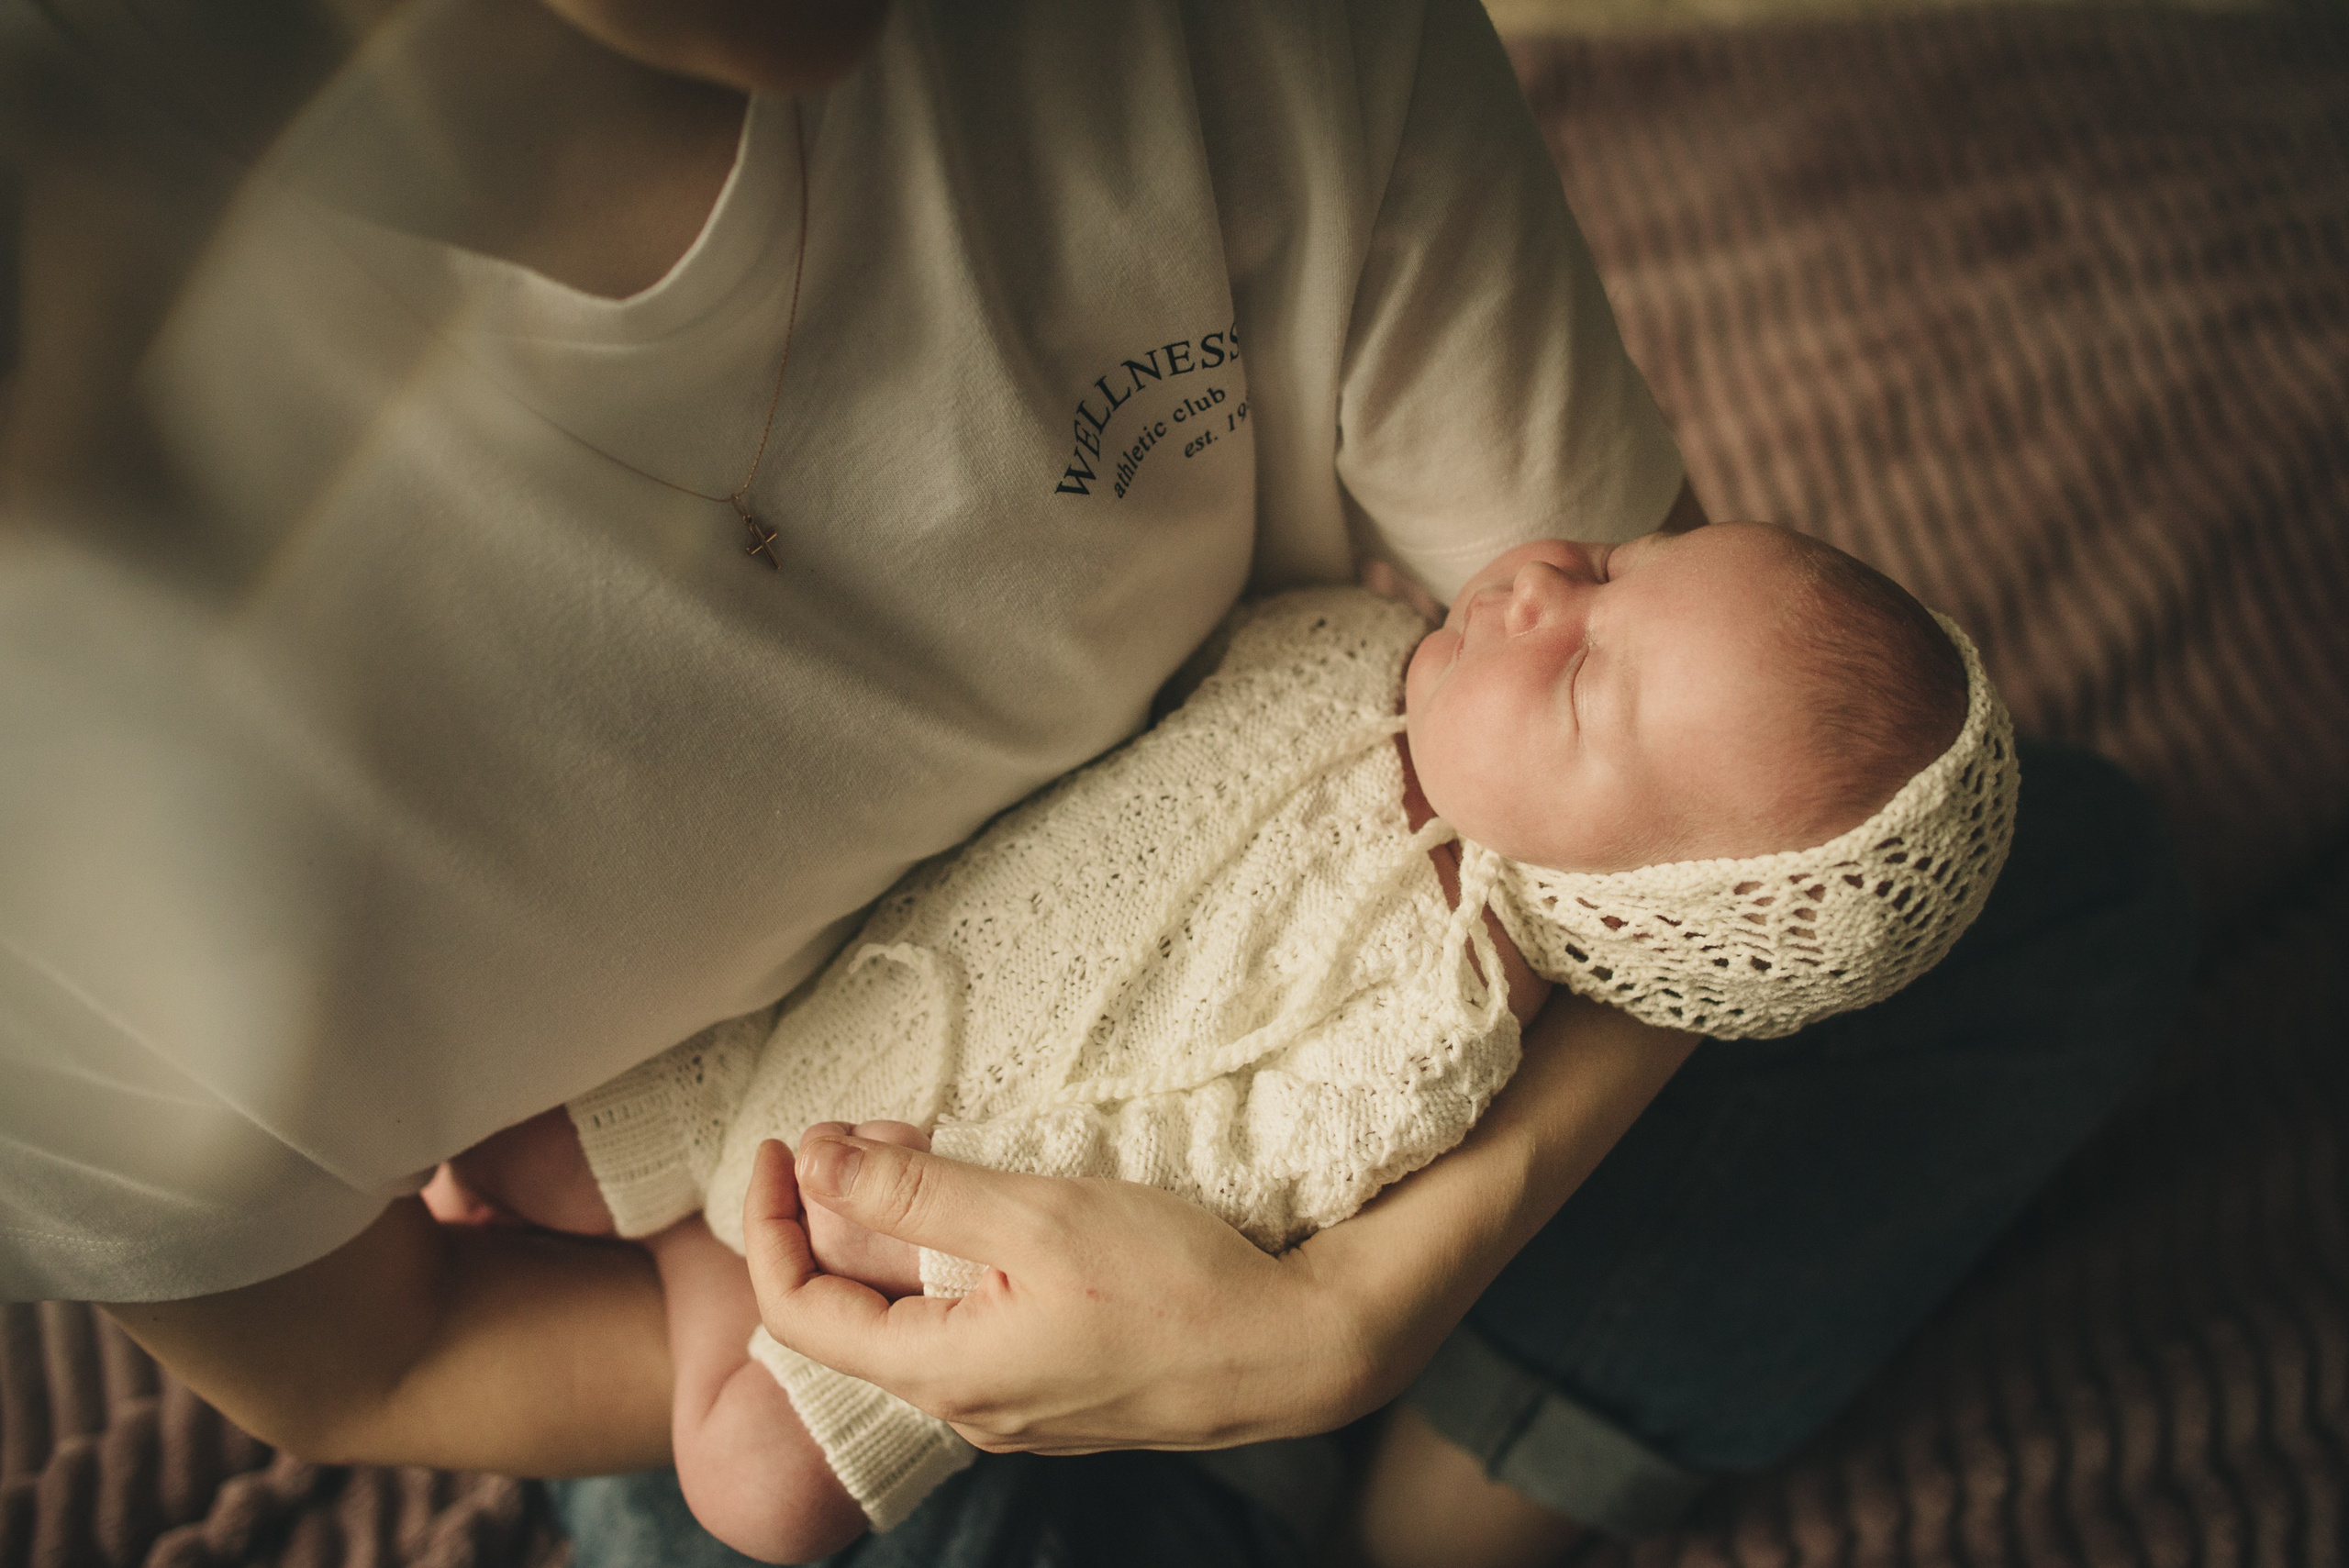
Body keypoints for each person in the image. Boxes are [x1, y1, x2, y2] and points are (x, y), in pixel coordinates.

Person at [0, 2, 2192, 1566]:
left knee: (2048, 897)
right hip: (801, 1276)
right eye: (1572, 580)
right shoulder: (65, 805)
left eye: (1580, 616)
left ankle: (1444, 1512)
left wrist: (1354, 1310)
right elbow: (366, 1368)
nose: (1535, 584)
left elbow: (1718, 835)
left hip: (1309, 1204)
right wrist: (791, 1309)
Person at [434, 520, 2017, 1560]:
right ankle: (668, 1214)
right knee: (503, 1140)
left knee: (762, 1490)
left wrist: (931, 1247)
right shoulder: (1347, 640)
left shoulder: (1447, 1018)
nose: (1538, 587)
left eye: (1585, 678)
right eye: (1612, 557)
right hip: (818, 984)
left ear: (1627, 906)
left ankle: (709, 1282)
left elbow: (1237, 1175)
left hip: (962, 1207)